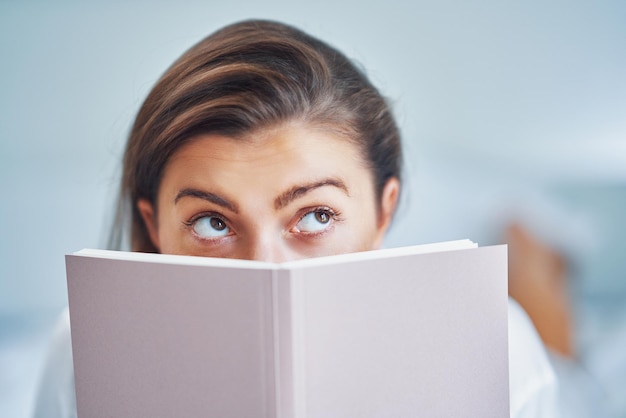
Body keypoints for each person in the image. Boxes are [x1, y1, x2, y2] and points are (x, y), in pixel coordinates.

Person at [33, 19, 559, 417]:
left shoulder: (495, 343)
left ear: (383, 211)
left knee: (559, 346)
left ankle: (539, 270)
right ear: (154, 228)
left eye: (316, 215)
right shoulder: (83, 347)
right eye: (211, 223)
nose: (265, 268)